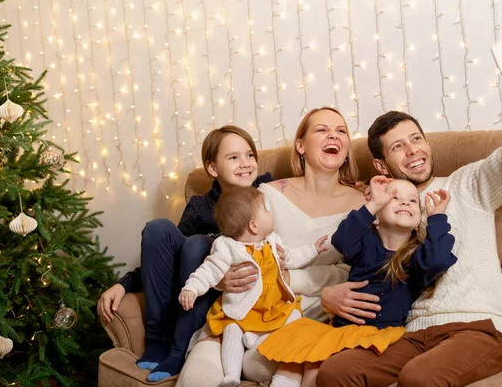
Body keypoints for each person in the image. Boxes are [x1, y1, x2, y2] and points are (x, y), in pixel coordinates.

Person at [318, 37, 502, 387]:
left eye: (416, 139)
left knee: (419, 378)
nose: (413, 150)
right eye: (398, 146)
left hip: (476, 327)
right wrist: (328, 294)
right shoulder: (385, 208)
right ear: (381, 165)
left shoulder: (467, 183)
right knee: (336, 371)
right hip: (411, 334)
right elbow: (358, 260)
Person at [177, 107, 365, 387]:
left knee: (270, 365)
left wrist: (289, 278)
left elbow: (354, 272)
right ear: (300, 145)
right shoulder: (267, 193)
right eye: (322, 129)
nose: (333, 136)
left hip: (305, 316)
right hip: (243, 311)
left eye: (341, 131)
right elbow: (233, 249)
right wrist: (223, 279)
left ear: (348, 148)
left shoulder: (364, 203)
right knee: (196, 379)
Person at [97, 126, 274, 381]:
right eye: (233, 157)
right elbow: (166, 258)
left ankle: (179, 350)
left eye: (249, 155)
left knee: (198, 244)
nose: (245, 163)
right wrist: (122, 285)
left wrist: (349, 180)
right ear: (212, 168)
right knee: (158, 228)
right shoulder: (201, 207)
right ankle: (157, 341)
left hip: (223, 295)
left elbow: (303, 189)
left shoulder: (267, 192)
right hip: (189, 285)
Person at [257, 176, 456, 386]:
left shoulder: (416, 256)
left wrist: (437, 218)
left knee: (318, 370)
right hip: (339, 329)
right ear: (376, 218)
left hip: (377, 334)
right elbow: (342, 239)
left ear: (418, 221)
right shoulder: (365, 243)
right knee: (297, 358)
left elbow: (438, 260)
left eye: (413, 200)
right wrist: (372, 205)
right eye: (394, 198)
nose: (405, 202)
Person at [178, 187, 328, 387]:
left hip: (272, 307)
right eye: (266, 210)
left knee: (293, 316)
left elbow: (292, 257)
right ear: (254, 226)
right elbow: (209, 270)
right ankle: (231, 373)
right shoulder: (228, 247)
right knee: (232, 329)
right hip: (243, 310)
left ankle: (256, 338)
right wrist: (192, 288)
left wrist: (313, 250)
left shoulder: (272, 241)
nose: (271, 213)